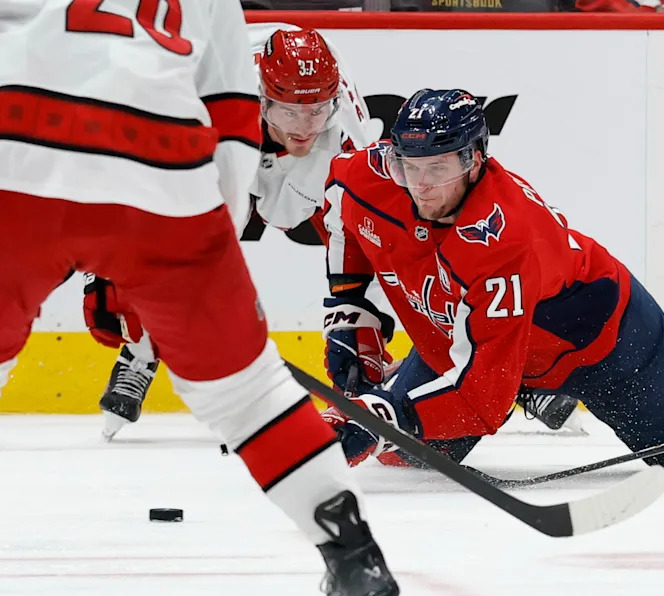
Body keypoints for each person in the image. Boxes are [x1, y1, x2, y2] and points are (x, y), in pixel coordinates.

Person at [0, 4, 404, 596]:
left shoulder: (338, 120)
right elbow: (233, 122)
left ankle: (143, 346)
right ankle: (354, 554)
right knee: (251, 397)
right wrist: (189, 263)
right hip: (165, 170)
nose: (305, 120)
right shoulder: (220, 14)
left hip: (19, 150)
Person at [86, 23, 585, 442]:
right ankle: (141, 354)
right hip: (227, 153)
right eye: (289, 111)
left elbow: (364, 222)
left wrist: (350, 319)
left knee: (407, 254)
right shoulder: (207, 93)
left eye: (316, 111)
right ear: (262, 96)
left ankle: (512, 375)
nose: (305, 126)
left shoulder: (340, 115)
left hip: (289, 171)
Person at [315, 88, 664, 471]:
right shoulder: (371, 174)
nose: (421, 184)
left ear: (475, 159)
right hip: (483, 337)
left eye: (440, 166)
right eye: (410, 165)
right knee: (406, 456)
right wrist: (351, 308)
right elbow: (339, 217)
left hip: (602, 343)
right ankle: (526, 390)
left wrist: (384, 415)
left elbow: (480, 401)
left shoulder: (505, 239)